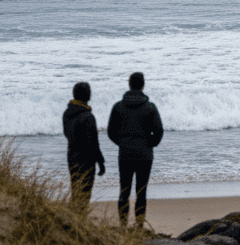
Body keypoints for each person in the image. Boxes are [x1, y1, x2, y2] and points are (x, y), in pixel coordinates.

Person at [107, 72, 164, 228]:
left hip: (125, 154)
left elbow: (111, 131)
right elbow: (159, 131)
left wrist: (122, 143)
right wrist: (150, 144)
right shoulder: (150, 107)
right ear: (143, 85)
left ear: (129, 84)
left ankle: (123, 226)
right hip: (145, 155)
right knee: (141, 191)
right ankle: (139, 226)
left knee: (124, 191)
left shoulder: (118, 106)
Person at [62, 81, 105, 212]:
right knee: (85, 192)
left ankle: (73, 218)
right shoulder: (88, 116)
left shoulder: (67, 113)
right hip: (86, 160)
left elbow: (67, 134)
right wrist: (101, 161)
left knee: (76, 189)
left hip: (71, 156)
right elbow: (93, 143)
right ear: (88, 96)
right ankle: (79, 220)